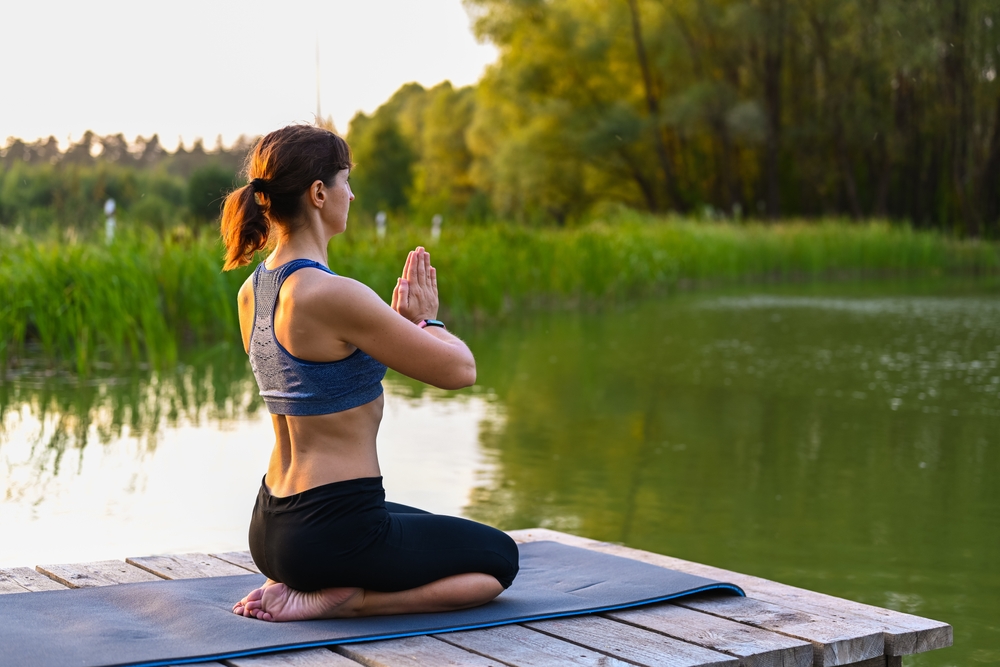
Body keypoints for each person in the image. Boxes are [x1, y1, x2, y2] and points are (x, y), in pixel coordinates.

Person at [219, 125, 518, 622]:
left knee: (436, 528)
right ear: (319, 193)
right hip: (332, 532)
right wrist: (428, 322)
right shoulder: (332, 293)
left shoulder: (252, 291)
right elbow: (460, 371)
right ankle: (349, 600)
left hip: (271, 527)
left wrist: (398, 328)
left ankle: (299, 579)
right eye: (346, 180)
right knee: (497, 559)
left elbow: (323, 377)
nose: (352, 194)